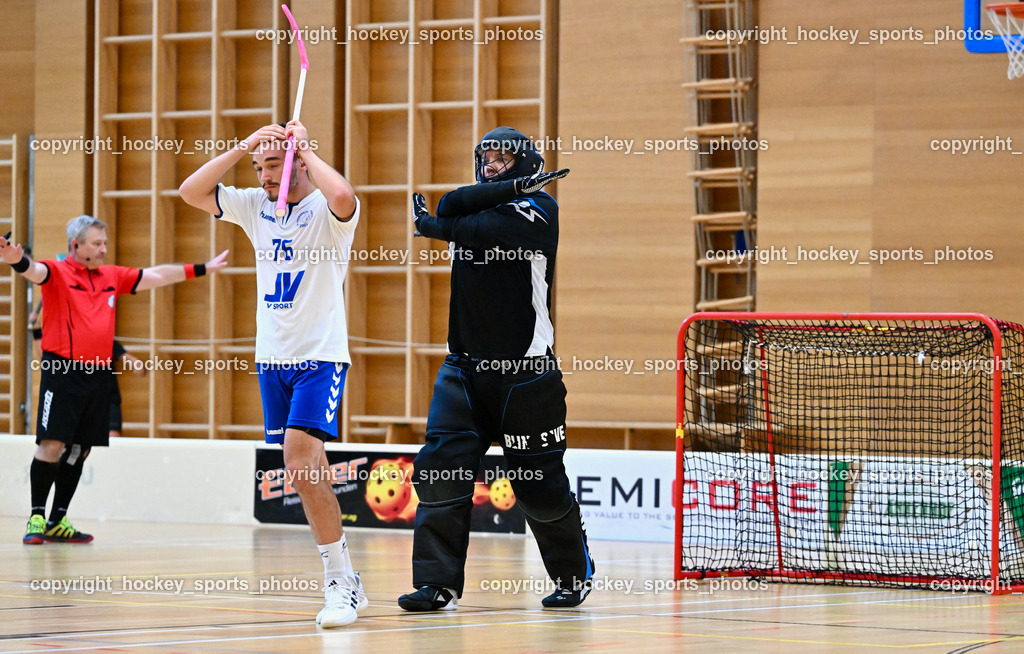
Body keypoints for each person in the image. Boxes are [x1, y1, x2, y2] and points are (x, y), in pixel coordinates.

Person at [397, 126, 595, 612]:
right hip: (462, 371)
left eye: (502, 158)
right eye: (485, 157)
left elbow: (478, 227)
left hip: (526, 377)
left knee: (538, 486)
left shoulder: (541, 209)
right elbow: (449, 203)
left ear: (527, 164)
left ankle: (574, 574)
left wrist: (436, 227)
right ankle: (437, 583)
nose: (490, 164)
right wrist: (448, 217)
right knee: (439, 471)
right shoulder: (474, 203)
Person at [178, 120, 365, 628]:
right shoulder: (254, 207)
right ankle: (347, 576)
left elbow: (345, 195)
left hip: (319, 357)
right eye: (257, 167)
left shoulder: (326, 212)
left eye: (273, 165)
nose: (262, 176)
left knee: (299, 463)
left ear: (298, 163)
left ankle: (339, 583)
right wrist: (244, 146)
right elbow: (191, 191)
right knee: (307, 470)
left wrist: (305, 149)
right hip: (272, 359)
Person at [3, 215, 227, 545]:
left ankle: (57, 520)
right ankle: (36, 516)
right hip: (62, 371)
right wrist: (15, 259)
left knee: (81, 449)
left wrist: (203, 268)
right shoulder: (57, 272)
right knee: (51, 443)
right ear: (76, 245)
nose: (104, 249)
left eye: (105, 243)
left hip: (98, 374)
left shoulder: (112, 276)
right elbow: (33, 270)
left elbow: (158, 275)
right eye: (97, 244)